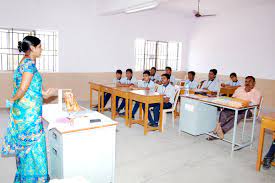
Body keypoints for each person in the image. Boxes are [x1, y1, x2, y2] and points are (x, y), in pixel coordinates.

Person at [1, 36, 56, 182]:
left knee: (24, 144)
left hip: (24, 111)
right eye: (39, 47)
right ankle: (34, 178)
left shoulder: (25, 61)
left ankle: (24, 175)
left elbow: (32, 84)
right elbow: (23, 88)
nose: (41, 49)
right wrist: (11, 100)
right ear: (32, 48)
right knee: (34, 144)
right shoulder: (30, 65)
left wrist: (44, 93)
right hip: (29, 114)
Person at [208, 76, 261, 140]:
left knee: (238, 116)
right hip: (235, 107)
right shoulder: (239, 89)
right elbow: (232, 98)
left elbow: (255, 104)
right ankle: (219, 130)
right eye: (246, 81)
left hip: (247, 110)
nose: (247, 83)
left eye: (250, 81)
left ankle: (220, 131)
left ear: (254, 83)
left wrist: (245, 103)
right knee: (223, 112)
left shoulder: (257, 92)